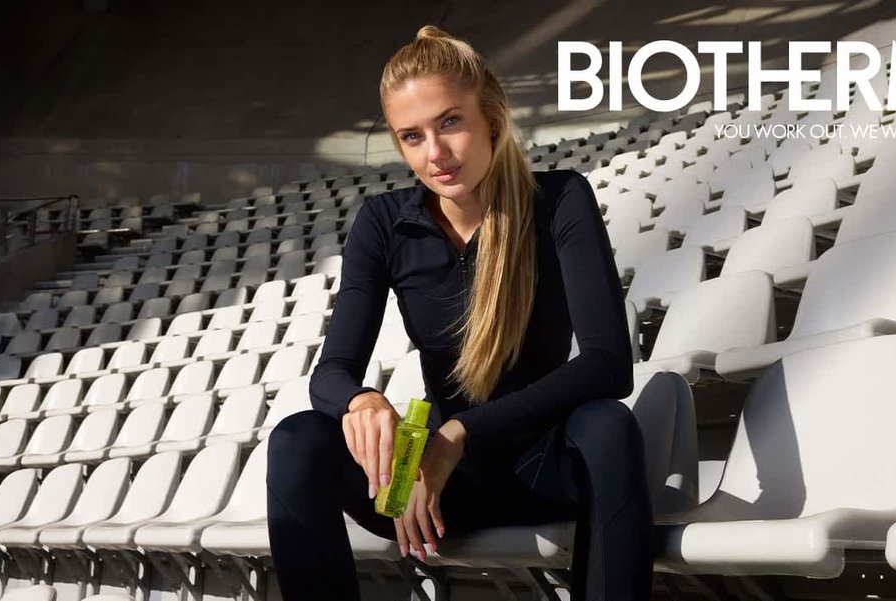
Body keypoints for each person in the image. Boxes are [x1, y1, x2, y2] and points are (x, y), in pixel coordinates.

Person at [266, 25, 654, 601]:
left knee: (607, 426)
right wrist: (361, 400)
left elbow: (606, 364)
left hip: (542, 466)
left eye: (450, 122)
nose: (436, 154)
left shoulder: (559, 199)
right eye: (412, 136)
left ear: (491, 119)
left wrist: (456, 435)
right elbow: (331, 371)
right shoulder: (382, 223)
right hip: (435, 487)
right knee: (298, 438)